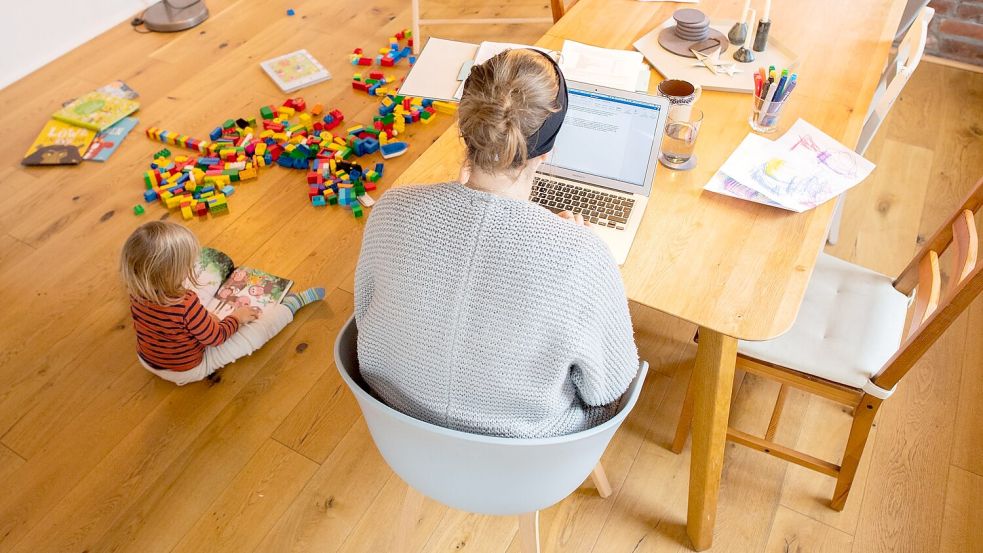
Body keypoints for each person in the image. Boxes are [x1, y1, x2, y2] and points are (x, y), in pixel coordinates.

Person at [355, 49, 639, 438]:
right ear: (548, 149)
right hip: (527, 457)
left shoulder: (391, 209)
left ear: (466, 128)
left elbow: (365, 313)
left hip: (398, 428)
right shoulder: (582, 257)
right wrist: (577, 250)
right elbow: (608, 387)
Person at [120, 221, 324, 386]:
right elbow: (215, 338)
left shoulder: (136, 291)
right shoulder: (185, 304)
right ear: (171, 273)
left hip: (147, 360)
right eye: (187, 265)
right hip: (187, 369)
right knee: (254, 335)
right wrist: (236, 318)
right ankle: (291, 306)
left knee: (200, 307)